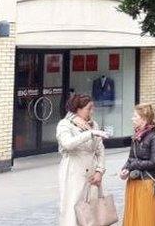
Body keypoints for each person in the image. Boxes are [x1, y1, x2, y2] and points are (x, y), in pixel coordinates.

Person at [57, 94, 109, 226]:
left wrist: (99, 171)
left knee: (92, 207)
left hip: (91, 172)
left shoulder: (93, 124)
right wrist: (89, 133)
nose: (91, 112)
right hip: (74, 171)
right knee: (72, 207)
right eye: (88, 108)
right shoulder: (65, 124)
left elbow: (100, 150)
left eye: (92, 108)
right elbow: (67, 143)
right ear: (77, 109)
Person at [120, 103, 155, 225]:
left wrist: (134, 164)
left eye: (135, 116)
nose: (132, 118)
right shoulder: (137, 136)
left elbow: (154, 162)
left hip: (147, 184)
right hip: (133, 182)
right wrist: (125, 169)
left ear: (144, 119)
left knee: (145, 218)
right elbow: (131, 158)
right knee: (133, 218)